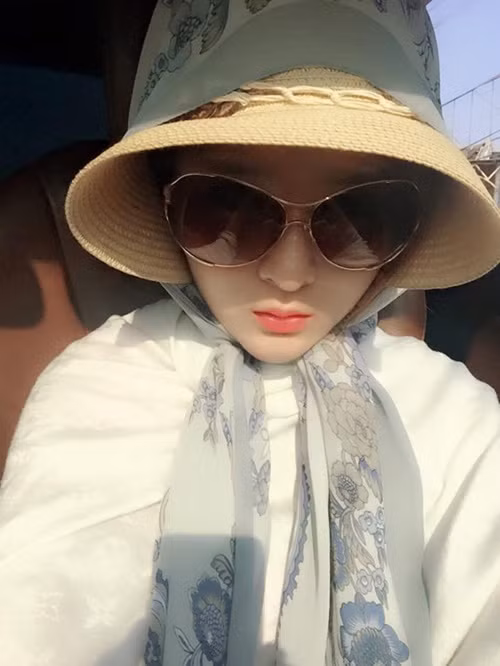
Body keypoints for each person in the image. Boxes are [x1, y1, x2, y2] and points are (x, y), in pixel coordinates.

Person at [1, 2, 500, 665]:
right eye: (227, 206)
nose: (289, 274)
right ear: (166, 203)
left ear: (408, 230)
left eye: (360, 216)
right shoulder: (95, 385)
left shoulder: (458, 419)